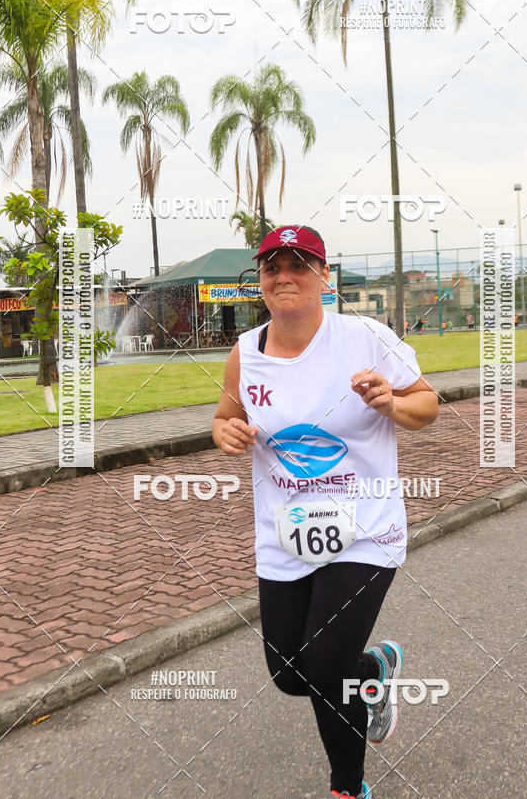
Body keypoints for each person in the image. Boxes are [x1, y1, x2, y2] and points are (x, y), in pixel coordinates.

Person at [213, 225, 438, 799]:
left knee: (325, 666)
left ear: (323, 276)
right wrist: (225, 432)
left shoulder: (364, 338)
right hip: (285, 534)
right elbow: (225, 416)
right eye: (272, 267)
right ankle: (373, 672)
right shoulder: (246, 352)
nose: (284, 276)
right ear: (260, 280)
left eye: (299, 265)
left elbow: (427, 403)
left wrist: (392, 402)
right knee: (291, 675)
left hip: (365, 529)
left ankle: (348, 787)